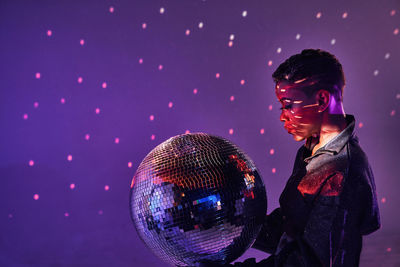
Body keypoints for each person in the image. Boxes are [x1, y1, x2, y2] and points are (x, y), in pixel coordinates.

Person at [196, 49, 381, 266]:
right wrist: (227, 222)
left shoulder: (341, 172)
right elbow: (289, 230)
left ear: (321, 99)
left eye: (289, 105)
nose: (283, 116)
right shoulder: (312, 152)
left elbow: (310, 261)